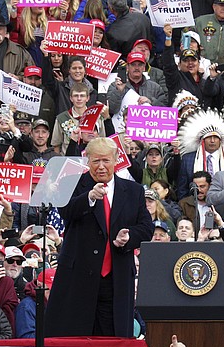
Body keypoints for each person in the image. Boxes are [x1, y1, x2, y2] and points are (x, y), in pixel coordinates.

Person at [45, 137, 153, 336]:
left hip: (116, 278)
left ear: (116, 159)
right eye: (96, 161)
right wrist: (89, 198)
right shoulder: (71, 183)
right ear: (87, 160)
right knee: (76, 337)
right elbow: (65, 211)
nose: (101, 167)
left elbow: (146, 227)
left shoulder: (133, 190)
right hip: (79, 278)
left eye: (106, 161)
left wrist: (129, 237)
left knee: (113, 338)